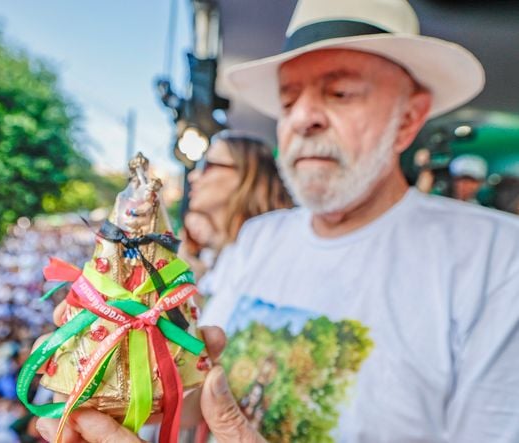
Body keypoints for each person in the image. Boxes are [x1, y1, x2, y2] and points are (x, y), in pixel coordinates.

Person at [35, 0, 519, 441]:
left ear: (409, 118)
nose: (302, 118)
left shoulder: (497, 258)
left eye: (342, 92)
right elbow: (198, 395)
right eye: (288, 101)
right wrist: (122, 377)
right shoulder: (262, 236)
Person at [180, 130, 293, 280]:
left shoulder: (274, 257)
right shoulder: (226, 259)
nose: (193, 176)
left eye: (206, 166)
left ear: (247, 174)